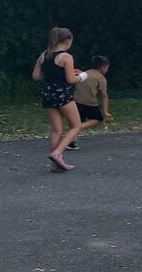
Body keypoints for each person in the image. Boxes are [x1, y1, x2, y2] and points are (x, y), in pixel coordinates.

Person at [31, 27, 86, 172]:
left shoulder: (44, 55)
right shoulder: (66, 57)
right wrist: (81, 77)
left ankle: (55, 164)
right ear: (68, 40)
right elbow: (70, 79)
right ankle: (58, 153)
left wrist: (54, 74)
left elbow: (36, 76)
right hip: (63, 95)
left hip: (48, 94)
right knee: (76, 126)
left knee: (57, 129)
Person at [69, 55, 112, 147]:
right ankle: (77, 128)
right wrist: (106, 112)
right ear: (103, 67)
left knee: (77, 120)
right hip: (89, 103)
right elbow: (104, 96)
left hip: (75, 102)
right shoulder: (100, 78)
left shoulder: (83, 74)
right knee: (98, 119)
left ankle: (70, 142)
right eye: (107, 68)